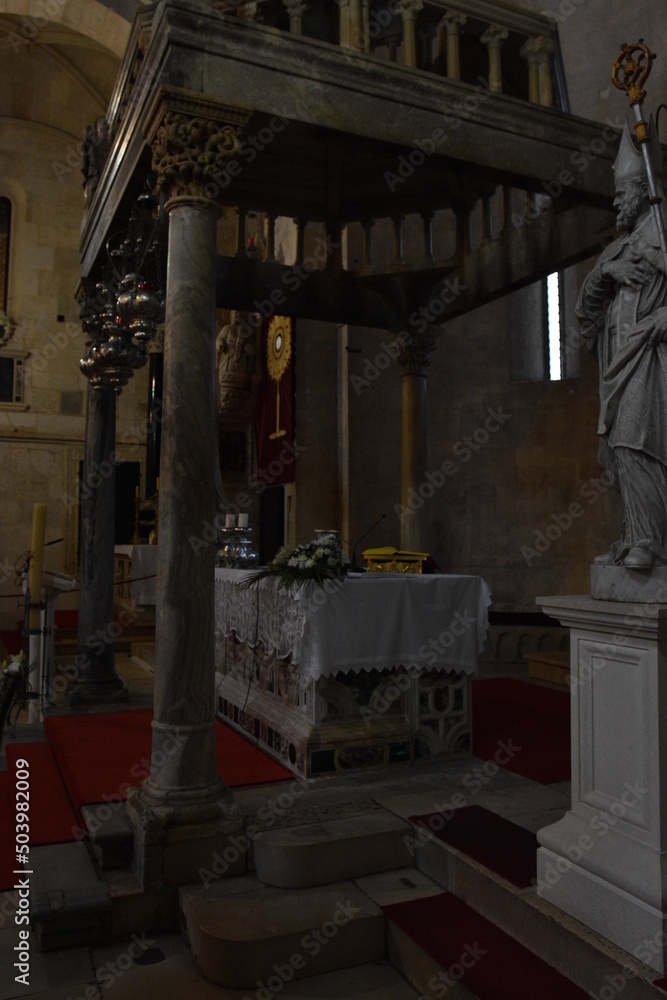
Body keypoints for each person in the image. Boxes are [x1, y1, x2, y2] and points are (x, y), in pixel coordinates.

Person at [576, 122, 667, 568]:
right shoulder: (620, 246)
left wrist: (664, 317)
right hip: (616, 361)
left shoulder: (664, 234)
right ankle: (633, 534)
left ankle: (650, 542)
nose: (615, 201)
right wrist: (605, 274)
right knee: (618, 448)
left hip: (651, 357)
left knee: (637, 440)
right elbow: (584, 311)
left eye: (622, 192)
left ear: (644, 188)